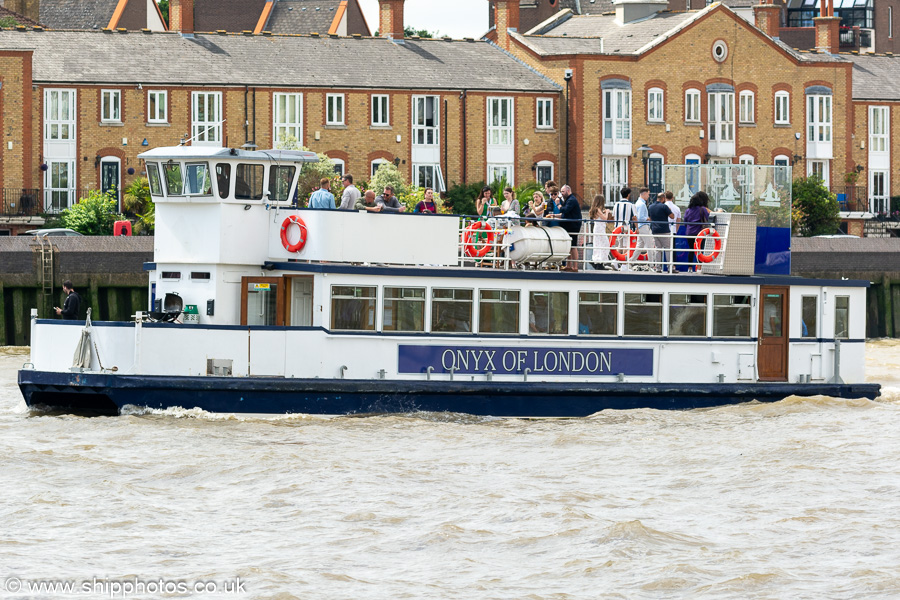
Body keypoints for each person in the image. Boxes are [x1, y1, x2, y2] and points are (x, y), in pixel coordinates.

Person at [550, 184, 583, 272]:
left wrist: (558, 204)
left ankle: (575, 267)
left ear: (568, 191)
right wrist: (554, 215)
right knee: (569, 246)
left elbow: (565, 210)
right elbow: (565, 214)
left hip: (573, 226)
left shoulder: (572, 200)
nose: (561, 193)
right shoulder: (568, 199)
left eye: (563, 192)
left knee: (573, 246)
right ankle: (569, 265)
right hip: (569, 225)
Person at [683, 191, 711, 272]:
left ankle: (689, 268)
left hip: (689, 232)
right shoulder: (702, 209)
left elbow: (685, 221)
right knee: (700, 250)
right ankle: (699, 267)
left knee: (691, 250)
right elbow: (708, 217)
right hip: (699, 232)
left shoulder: (688, 210)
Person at [647, 192, 674, 272]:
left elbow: (650, 218)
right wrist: (670, 210)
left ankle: (658, 268)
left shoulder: (651, 207)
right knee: (668, 249)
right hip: (664, 230)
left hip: (655, 230)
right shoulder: (664, 206)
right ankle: (670, 268)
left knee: (658, 250)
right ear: (663, 198)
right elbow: (672, 216)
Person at [588, 194, 614, 270]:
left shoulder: (595, 209)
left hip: (598, 228)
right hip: (599, 229)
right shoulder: (597, 209)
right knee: (605, 244)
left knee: (598, 244)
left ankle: (597, 261)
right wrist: (607, 212)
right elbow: (605, 218)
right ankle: (599, 261)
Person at [628, 187, 652, 271]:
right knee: (650, 246)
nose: (648, 196)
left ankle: (631, 261)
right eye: (648, 194)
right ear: (644, 194)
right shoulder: (642, 204)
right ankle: (652, 265)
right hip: (644, 226)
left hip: (640, 227)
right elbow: (641, 217)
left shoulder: (637, 203)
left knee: (639, 246)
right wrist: (648, 219)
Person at [612, 187, 635, 271]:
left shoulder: (616, 204)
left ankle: (615, 261)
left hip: (617, 227)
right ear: (628, 195)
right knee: (626, 245)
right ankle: (624, 265)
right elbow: (634, 217)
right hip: (626, 228)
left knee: (620, 245)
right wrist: (637, 228)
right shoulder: (631, 205)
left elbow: (613, 215)